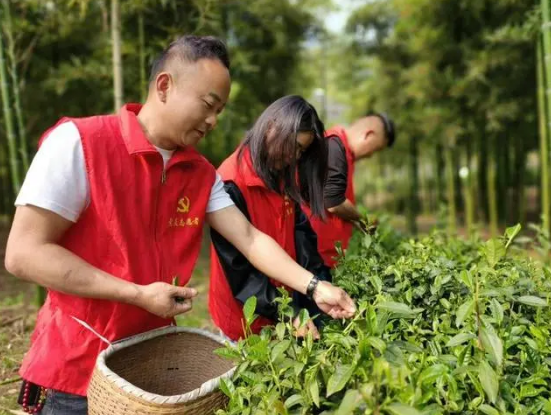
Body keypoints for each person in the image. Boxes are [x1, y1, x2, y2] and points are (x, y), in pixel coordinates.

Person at [4, 36, 355, 415]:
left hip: (157, 370)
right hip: (77, 371)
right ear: (164, 86)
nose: (213, 120)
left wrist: (316, 287)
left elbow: (250, 238)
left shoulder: (201, 174)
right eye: (208, 105)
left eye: (219, 110)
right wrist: (137, 294)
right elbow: (24, 255)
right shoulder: (79, 144)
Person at [209, 95, 334, 341]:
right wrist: (288, 312)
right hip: (246, 319)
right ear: (271, 127)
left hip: (283, 303)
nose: (296, 157)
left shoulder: (281, 174)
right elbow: (241, 273)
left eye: (302, 151)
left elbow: (301, 235)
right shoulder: (231, 183)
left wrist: (321, 283)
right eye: (295, 147)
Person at [306, 113, 396, 268]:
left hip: (327, 256)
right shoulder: (334, 145)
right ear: (368, 135)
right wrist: (363, 221)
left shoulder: (346, 154)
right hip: (313, 255)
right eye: (375, 149)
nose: (370, 155)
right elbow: (334, 203)